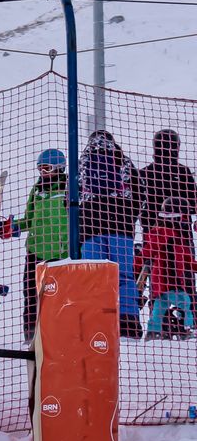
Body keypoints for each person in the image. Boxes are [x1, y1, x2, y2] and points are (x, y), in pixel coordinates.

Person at [77, 128, 142, 338]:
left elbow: (71, 196)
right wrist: (129, 217)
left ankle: (95, 322)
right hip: (120, 227)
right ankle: (128, 321)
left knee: (93, 277)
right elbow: (140, 191)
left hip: (90, 227)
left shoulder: (83, 162)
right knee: (124, 276)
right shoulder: (123, 161)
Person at [136, 128, 196, 337]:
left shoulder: (145, 173)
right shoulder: (182, 172)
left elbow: (137, 205)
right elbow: (195, 204)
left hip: (155, 236)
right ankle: (187, 322)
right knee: (184, 279)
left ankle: (159, 325)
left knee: (159, 282)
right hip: (180, 237)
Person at [13, 149, 70, 344]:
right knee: (31, 295)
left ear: (59, 168)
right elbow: (29, 219)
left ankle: (57, 338)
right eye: (40, 169)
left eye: (46, 168)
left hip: (60, 253)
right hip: (35, 251)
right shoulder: (37, 190)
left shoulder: (69, 187)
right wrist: (14, 227)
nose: (42, 173)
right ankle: (30, 339)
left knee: (56, 298)